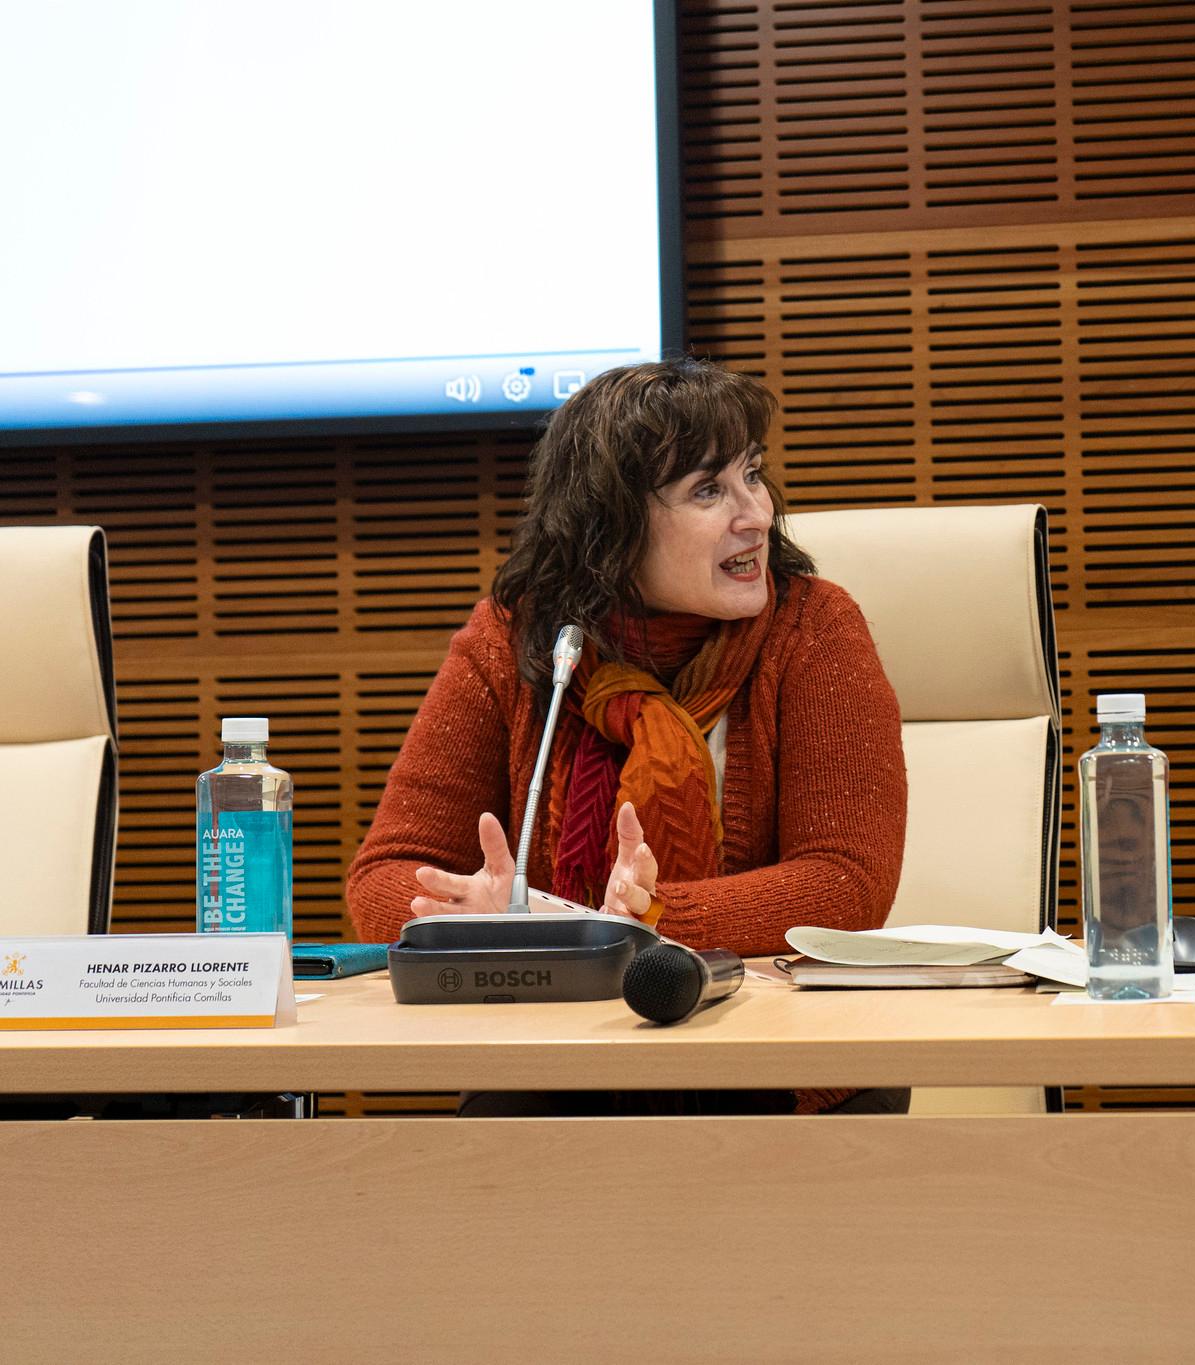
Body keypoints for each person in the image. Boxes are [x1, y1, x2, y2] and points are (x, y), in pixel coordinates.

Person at [346, 357, 908, 1114]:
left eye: (753, 474)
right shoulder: (514, 643)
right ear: (610, 527)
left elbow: (846, 886)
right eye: (709, 490)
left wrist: (636, 926)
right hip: (555, 1067)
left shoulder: (814, 631)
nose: (757, 513)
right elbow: (382, 875)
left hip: (779, 1067)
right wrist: (478, 921)